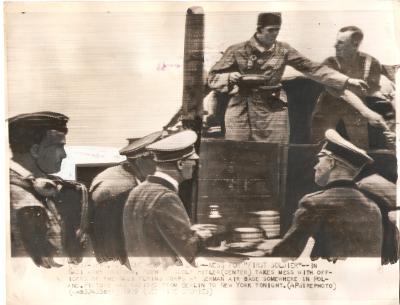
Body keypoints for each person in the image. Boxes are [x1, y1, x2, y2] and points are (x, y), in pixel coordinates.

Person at [208, 13, 384, 143]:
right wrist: (230, 76)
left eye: (277, 30)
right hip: (241, 107)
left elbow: (312, 68)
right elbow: (213, 77)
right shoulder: (237, 50)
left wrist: (347, 80)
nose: (274, 35)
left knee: (275, 152)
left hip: (272, 107)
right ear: (259, 30)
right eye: (270, 30)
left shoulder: (283, 50)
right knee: (239, 151)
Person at [270, 129, 398, 263]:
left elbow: (284, 255)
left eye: (320, 159)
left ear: (331, 163)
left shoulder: (314, 203)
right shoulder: (373, 207)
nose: (315, 166)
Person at [123, 130, 215, 268]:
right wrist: (202, 235)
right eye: (192, 160)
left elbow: (151, 232)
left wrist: (189, 230)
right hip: (164, 276)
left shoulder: (136, 191)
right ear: (180, 164)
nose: (196, 164)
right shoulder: (167, 197)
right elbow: (189, 250)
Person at [8, 112, 89, 268]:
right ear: (36, 150)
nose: (64, 155)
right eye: (59, 146)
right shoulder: (17, 196)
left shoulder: (41, 185)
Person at [311, 26, 395, 149]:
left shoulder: (371, 63)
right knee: (324, 154)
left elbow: (369, 91)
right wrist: (368, 113)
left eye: (340, 43)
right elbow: (340, 91)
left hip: (356, 117)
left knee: (359, 156)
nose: (335, 45)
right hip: (328, 115)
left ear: (355, 45)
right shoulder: (329, 63)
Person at [89, 130, 164, 266]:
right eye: (156, 161)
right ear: (141, 160)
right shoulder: (120, 189)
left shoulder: (122, 174)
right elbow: (112, 242)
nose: (160, 167)